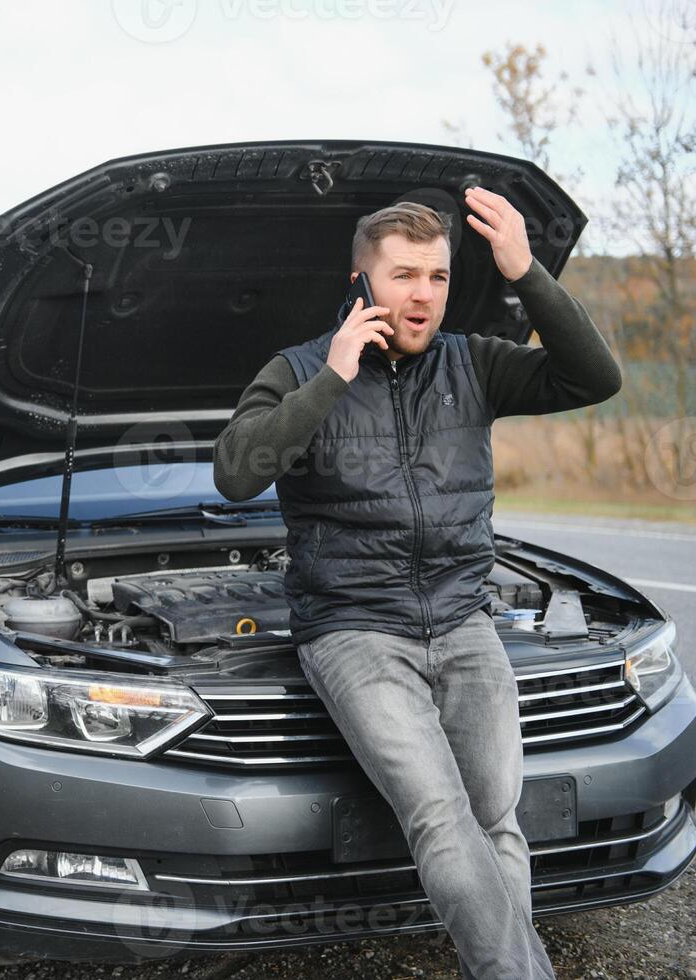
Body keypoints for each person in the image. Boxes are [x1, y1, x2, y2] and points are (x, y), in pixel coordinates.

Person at [212, 190, 622, 979]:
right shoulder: (299, 369)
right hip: (354, 630)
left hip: (465, 623)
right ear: (363, 283)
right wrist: (330, 378)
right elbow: (236, 473)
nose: (423, 294)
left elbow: (593, 378)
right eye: (404, 275)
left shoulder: (473, 363)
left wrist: (525, 271)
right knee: (439, 816)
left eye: (436, 276)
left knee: (496, 818)